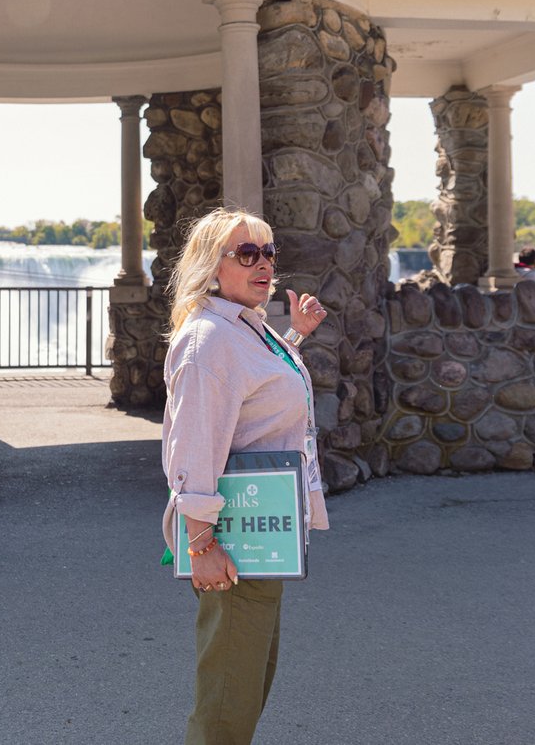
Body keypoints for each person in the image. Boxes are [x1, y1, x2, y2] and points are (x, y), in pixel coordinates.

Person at [161, 207, 329, 745]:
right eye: (247, 253)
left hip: (262, 532)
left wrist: (294, 338)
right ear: (213, 266)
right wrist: (201, 540)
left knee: (249, 682)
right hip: (234, 539)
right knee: (228, 700)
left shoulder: (246, 329)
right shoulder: (207, 339)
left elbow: (253, 393)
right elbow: (193, 442)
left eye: (269, 252)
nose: (264, 264)